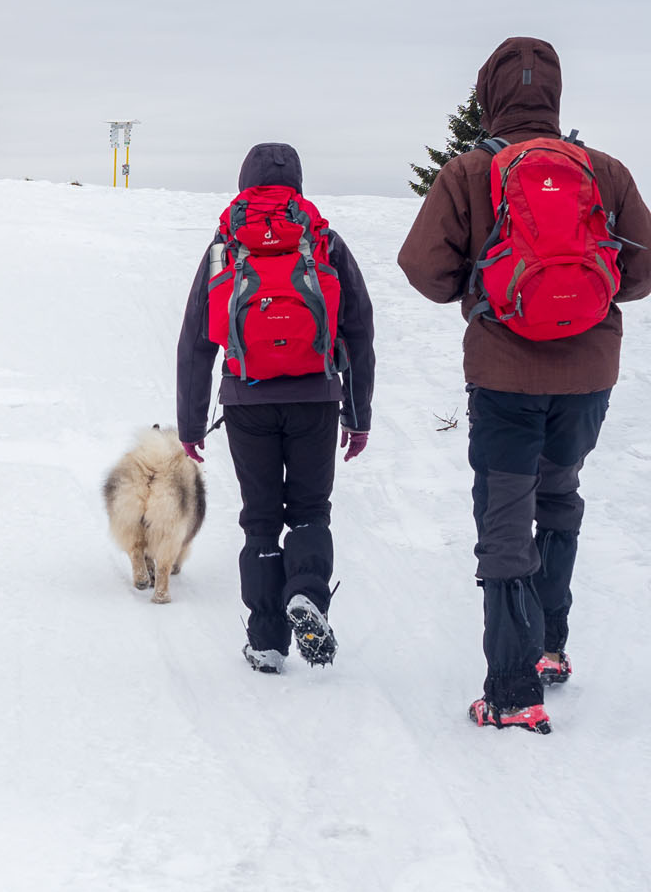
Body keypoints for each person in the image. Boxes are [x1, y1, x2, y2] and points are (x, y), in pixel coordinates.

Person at [398, 37, 651, 733]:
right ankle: (550, 648)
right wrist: (588, 298)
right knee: (560, 493)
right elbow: (643, 267)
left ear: (490, 95)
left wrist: (482, 293)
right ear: (555, 95)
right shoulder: (603, 171)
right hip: (588, 376)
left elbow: (422, 268)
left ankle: (511, 690)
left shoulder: (469, 172)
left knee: (506, 518)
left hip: (505, 376)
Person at [176, 143, 376, 674]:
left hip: (247, 400)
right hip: (315, 397)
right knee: (310, 511)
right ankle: (307, 591)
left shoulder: (227, 243)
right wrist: (357, 416)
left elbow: (197, 340)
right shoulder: (322, 240)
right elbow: (357, 333)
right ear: (299, 185)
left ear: (244, 183)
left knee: (260, 521)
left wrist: (191, 424)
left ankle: (266, 639)